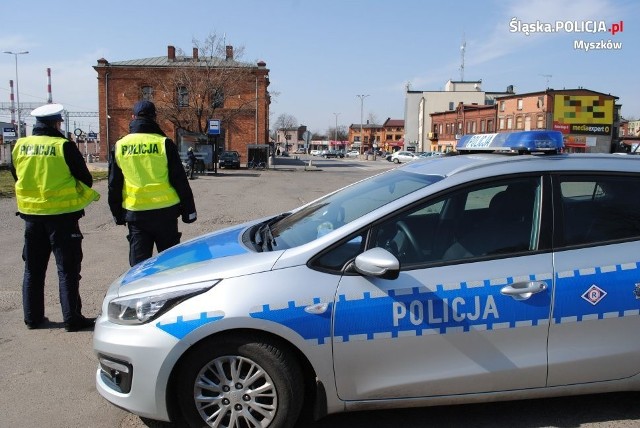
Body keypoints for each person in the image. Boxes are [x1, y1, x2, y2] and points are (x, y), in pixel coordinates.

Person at [11, 103, 100, 332]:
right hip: (62, 218)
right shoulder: (63, 146)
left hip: (31, 217)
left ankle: (32, 318)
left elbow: (16, 175)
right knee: (67, 270)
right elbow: (85, 179)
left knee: (33, 269)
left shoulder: (20, 145)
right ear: (56, 123)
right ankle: (72, 319)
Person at [108, 100, 197, 267]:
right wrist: (189, 212)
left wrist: (117, 214)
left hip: (136, 214)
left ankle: (140, 292)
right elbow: (180, 180)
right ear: (154, 118)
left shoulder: (120, 146)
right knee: (171, 265)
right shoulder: (164, 143)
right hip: (166, 214)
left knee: (139, 268)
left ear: (133, 118)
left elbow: (114, 184)